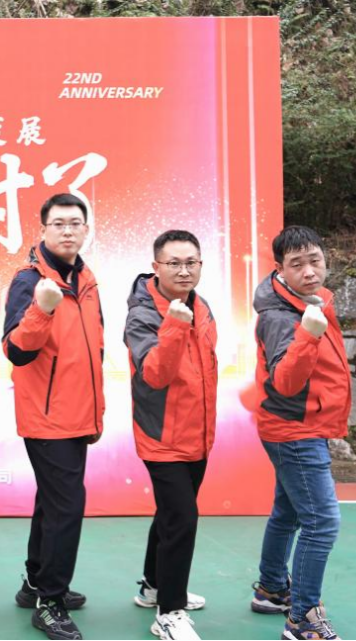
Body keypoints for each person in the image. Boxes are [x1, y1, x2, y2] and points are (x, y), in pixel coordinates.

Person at [1, 193, 103, 641]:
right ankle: (50, 602)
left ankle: (34, 583)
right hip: (47, 417)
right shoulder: (29, 281)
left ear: (85, 230)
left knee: (51, 501)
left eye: (75, 223)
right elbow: (16, 351)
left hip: (79, 413)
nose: (67, 231)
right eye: (58, 223)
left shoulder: (86, 279)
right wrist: (41, 310)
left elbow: (94, 349)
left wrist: (97, 411)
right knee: (67, 506)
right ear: (42, 229)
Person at [250, 225, 349, 641]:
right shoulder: (279, 317)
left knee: (289, 510)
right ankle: (302, 619)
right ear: (280, 269)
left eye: (315, 261)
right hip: (294, 430)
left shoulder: (313, 298)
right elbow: (286, 382)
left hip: (302, 424)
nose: (309, 271)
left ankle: (272, 589)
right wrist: (308, 334)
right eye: (297, 264)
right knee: (321, 522)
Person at [124, 230, 217, 641]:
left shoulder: (202, 305)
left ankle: (153, 585)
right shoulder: (142, 315)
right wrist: (176, 326)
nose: (184, 271)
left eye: (191, 262)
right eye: (174, 263)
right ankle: (169, 612)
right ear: (156, 266)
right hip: (161, 435)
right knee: (182, 519)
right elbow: (155, 374)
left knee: (170, 513)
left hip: (198, 432)